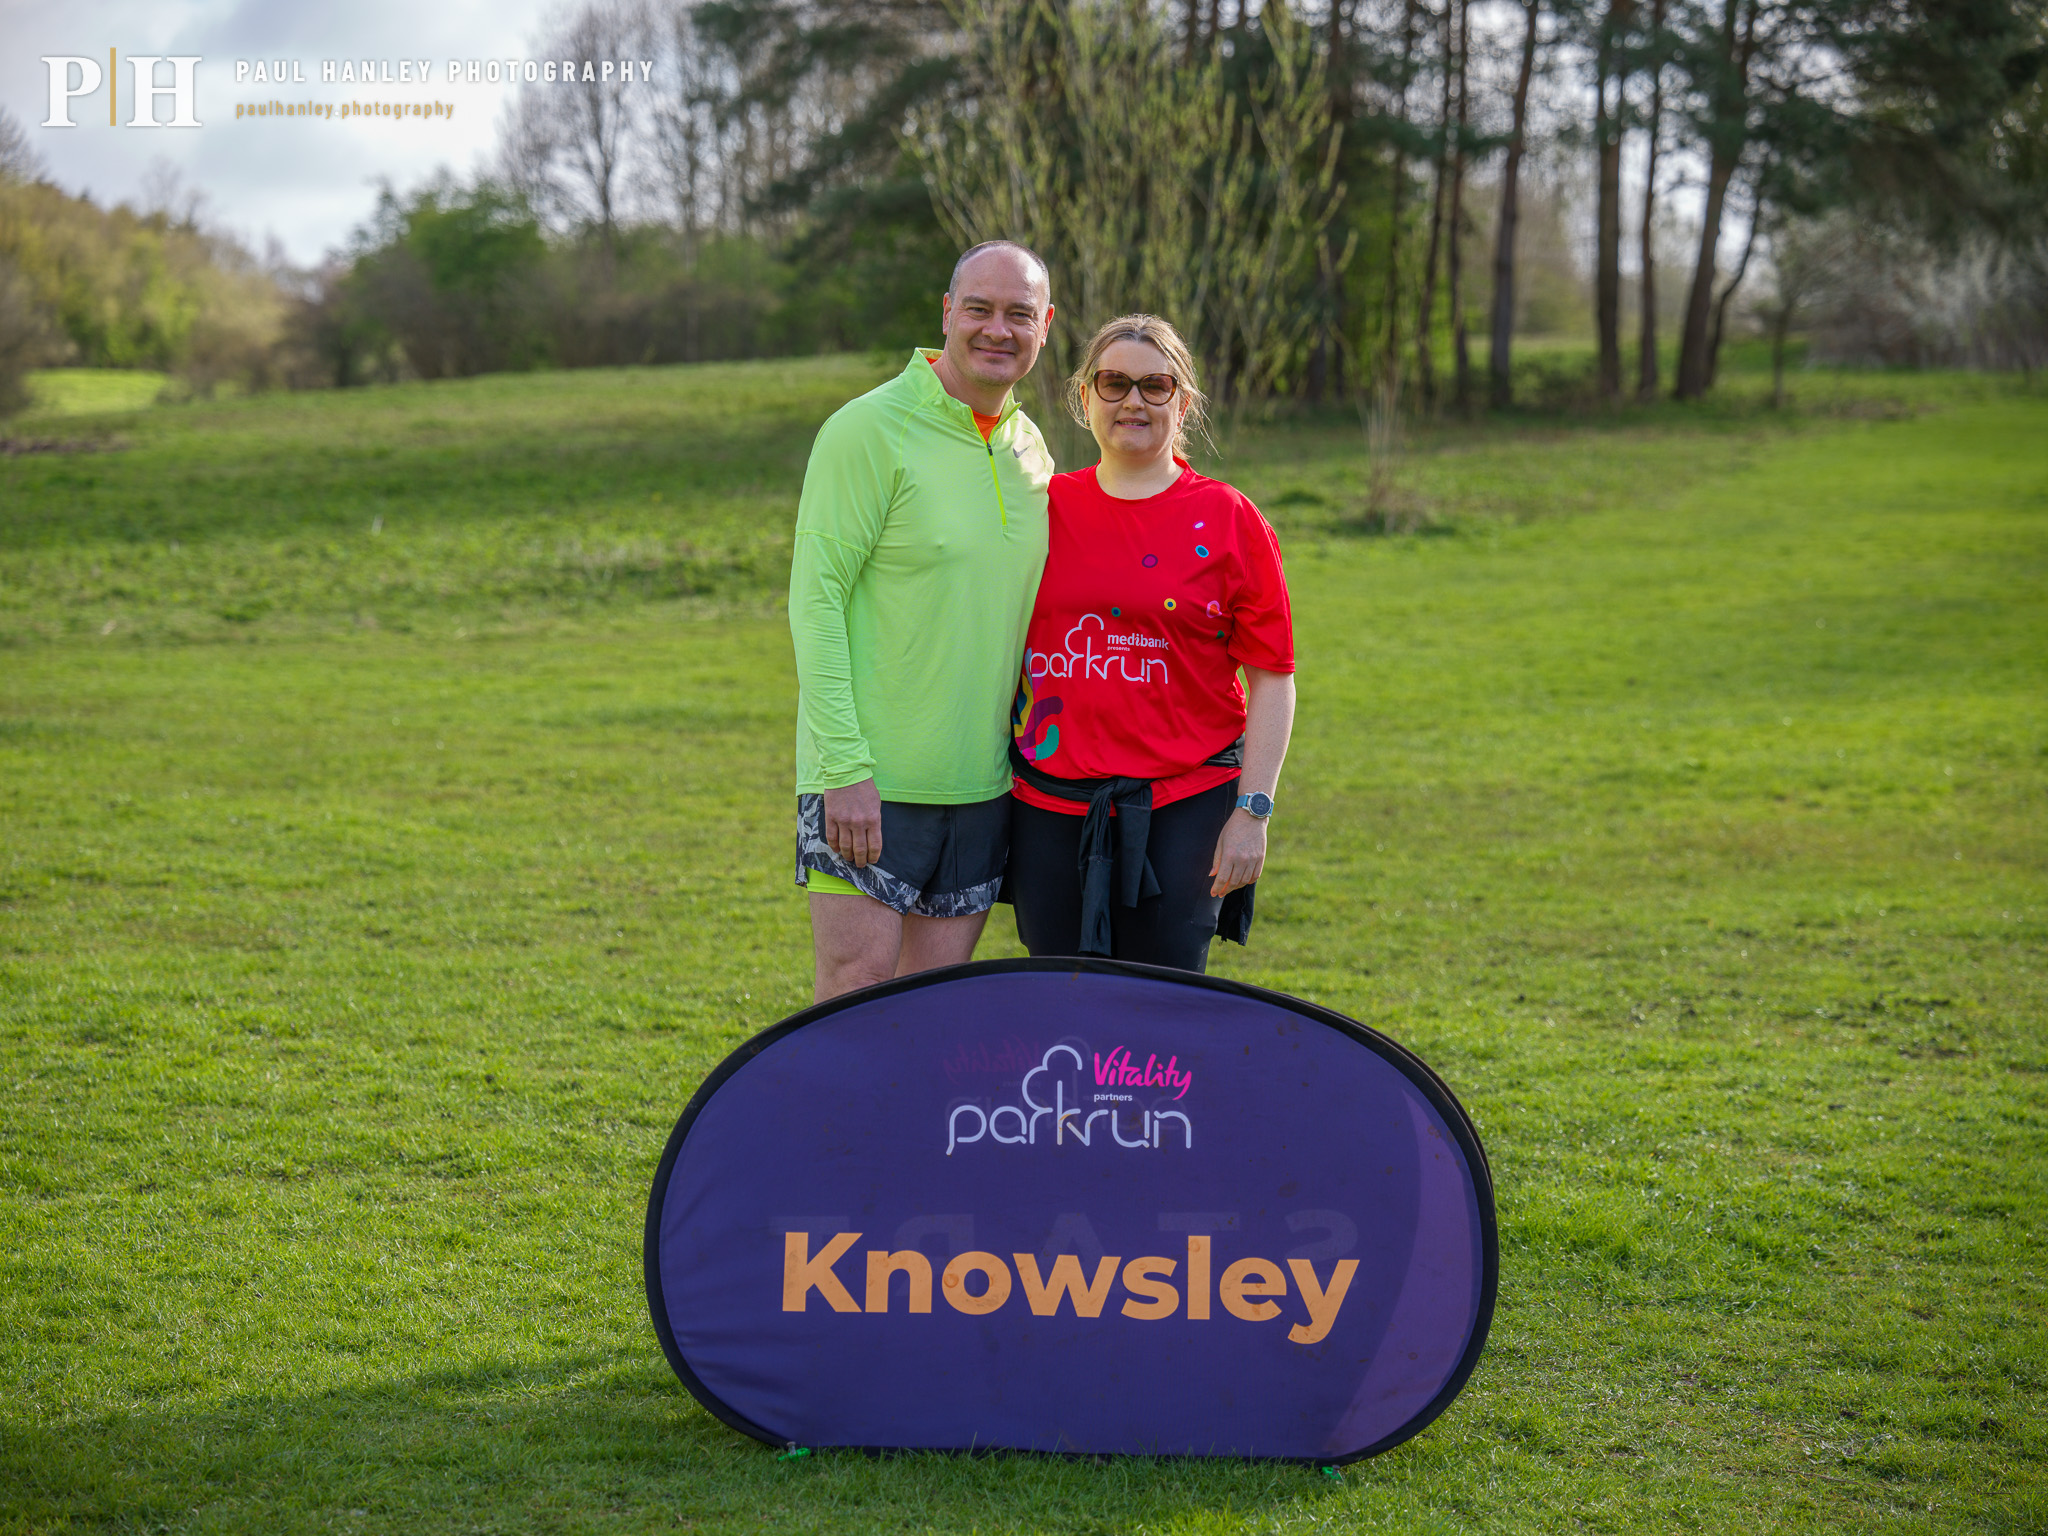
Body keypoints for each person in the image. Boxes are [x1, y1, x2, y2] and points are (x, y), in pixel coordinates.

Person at [789, 242, 1056, 1002]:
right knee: (857, 998)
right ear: (947, 313)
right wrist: (843, 769)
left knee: (935, 1015)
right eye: (979, 309)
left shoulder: (1030, 449)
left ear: (1045, 326)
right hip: (868, 783)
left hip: (983, 788)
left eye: (1019, 314)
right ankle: (834, 1131)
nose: (997, 330)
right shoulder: (867, 429)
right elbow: (815, 600)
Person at [1006, 314, 1296, 973]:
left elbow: (1273, 678)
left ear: (1183, 402)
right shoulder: (1037, 508)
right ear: (1084, 398)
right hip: (1049, 802)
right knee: (1056, 992)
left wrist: (1253, 811)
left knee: (1163, 1003)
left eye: (1154, 386)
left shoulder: (1229, 519)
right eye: (1113, 383)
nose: (1132, 401)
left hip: (1185, 801)